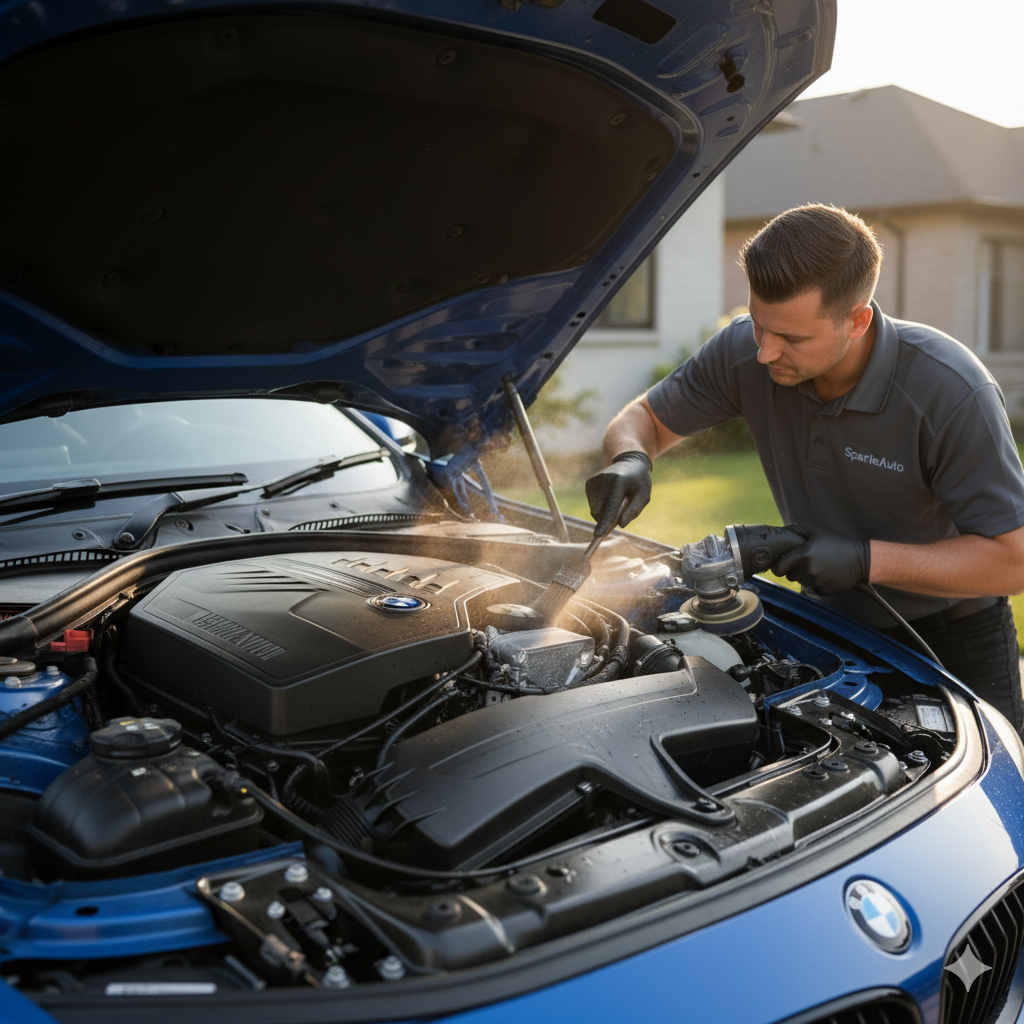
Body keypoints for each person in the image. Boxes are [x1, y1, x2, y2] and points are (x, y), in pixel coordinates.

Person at [586, 204, 1024, 730]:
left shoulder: (948, 390)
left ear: (857, 320)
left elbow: (1011, 560)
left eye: (792, 338)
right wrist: (632, 458)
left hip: (954, 635)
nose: (767, 353)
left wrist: (865, 561)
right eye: (759, 326)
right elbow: (645, 418)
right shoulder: (744, 352)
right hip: (827, 625)